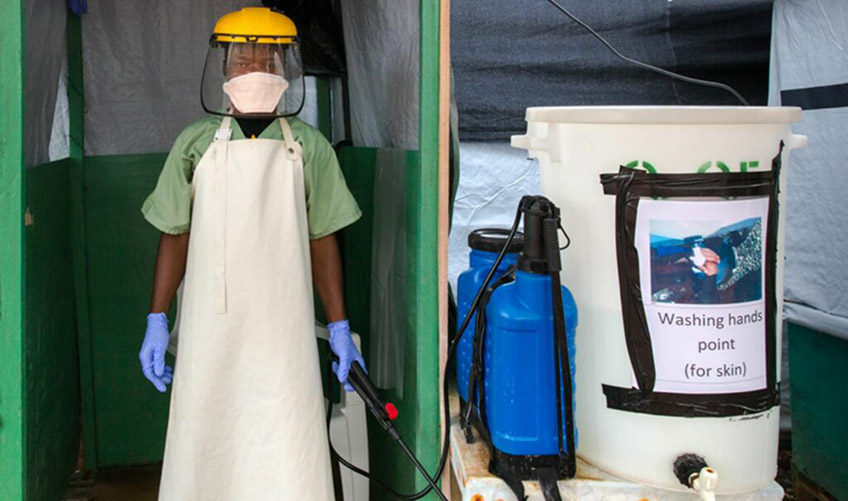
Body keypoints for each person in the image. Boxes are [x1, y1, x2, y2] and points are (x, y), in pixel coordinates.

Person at [136, 7, 363, 499]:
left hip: (283, 329)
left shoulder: (309, 147)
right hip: (210, 328)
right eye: (243, 58)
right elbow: (174, 232)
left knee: (286, 440)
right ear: (223, 68)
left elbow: (321, 238)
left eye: (268, 57)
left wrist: (339, 325)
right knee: (207, 438)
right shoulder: (195, 144)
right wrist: (157, 317)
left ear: (285, 69)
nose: (255, 66)